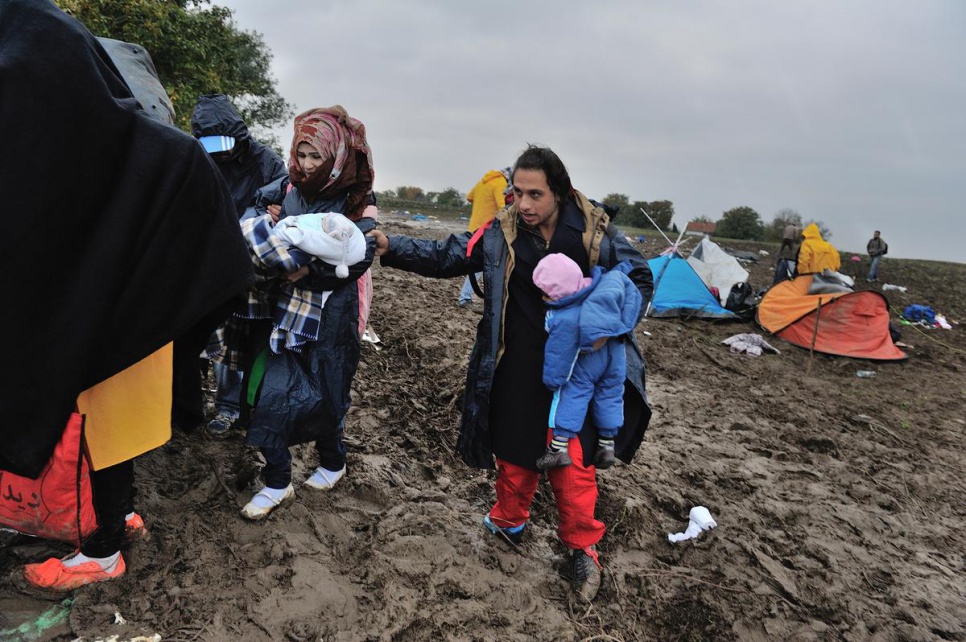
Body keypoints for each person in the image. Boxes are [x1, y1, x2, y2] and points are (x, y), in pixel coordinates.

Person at [1, 0, 252, 590]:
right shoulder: (137, 146)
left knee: (100, 426)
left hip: (120, 320)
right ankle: (116, 518)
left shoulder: (134, 151)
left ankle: (104, 548)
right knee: (104, 431)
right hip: (128, 317)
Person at [369, 145, 652, 604]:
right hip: (515, 364)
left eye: (534, 194)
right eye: (517, 192)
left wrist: (607, 328)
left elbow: (638, 277)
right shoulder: (502, 233)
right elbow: (450, 255)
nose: (523, 204)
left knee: (573, 467)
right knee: (515, 454)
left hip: (576, 374)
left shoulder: (595, 232)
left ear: (558, 191)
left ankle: (582, 547)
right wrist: (390, 245)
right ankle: (508, 522)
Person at [219, 106, 377, 520]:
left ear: (335, 158)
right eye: (301, 155)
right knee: (269, 387)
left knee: (328, 387)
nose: (306, 165)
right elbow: (258, 207)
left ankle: (333, 460)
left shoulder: (358, 200)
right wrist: (267, 221)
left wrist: (309, 270)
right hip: (282, 306)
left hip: (335, 309)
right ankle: (277, 481)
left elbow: (361, 254)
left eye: (315, 157)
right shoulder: (287, 188)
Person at [191, 94, 288, 436]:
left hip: (258, 268)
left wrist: (265, 208)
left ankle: (252, 410)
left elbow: (284, 195)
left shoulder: (265, 161)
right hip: (216, 262)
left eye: (224, 141)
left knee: (257, 341)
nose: (219, 150)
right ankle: (227, 407)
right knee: (224, 339)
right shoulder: (196, 157)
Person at [531, 253, 642, 472]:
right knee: (610, 394)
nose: (544, 298)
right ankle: (607, 445)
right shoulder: (598, 295)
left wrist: (553, 381)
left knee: (573, 394)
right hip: (616, 354)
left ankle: (558, 448)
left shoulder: (566, 318)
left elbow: (559, 355)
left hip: (589, 362)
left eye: (547, 294)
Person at [458, 168, 510, 307]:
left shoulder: (483, 181)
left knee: (479, 263)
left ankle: (467, 297)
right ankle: (465, 298)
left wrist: (483, 201)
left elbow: (469, 197)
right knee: (481, 264)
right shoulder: (500, 184)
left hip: (473, 227)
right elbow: (503, 207)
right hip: (486, 230)